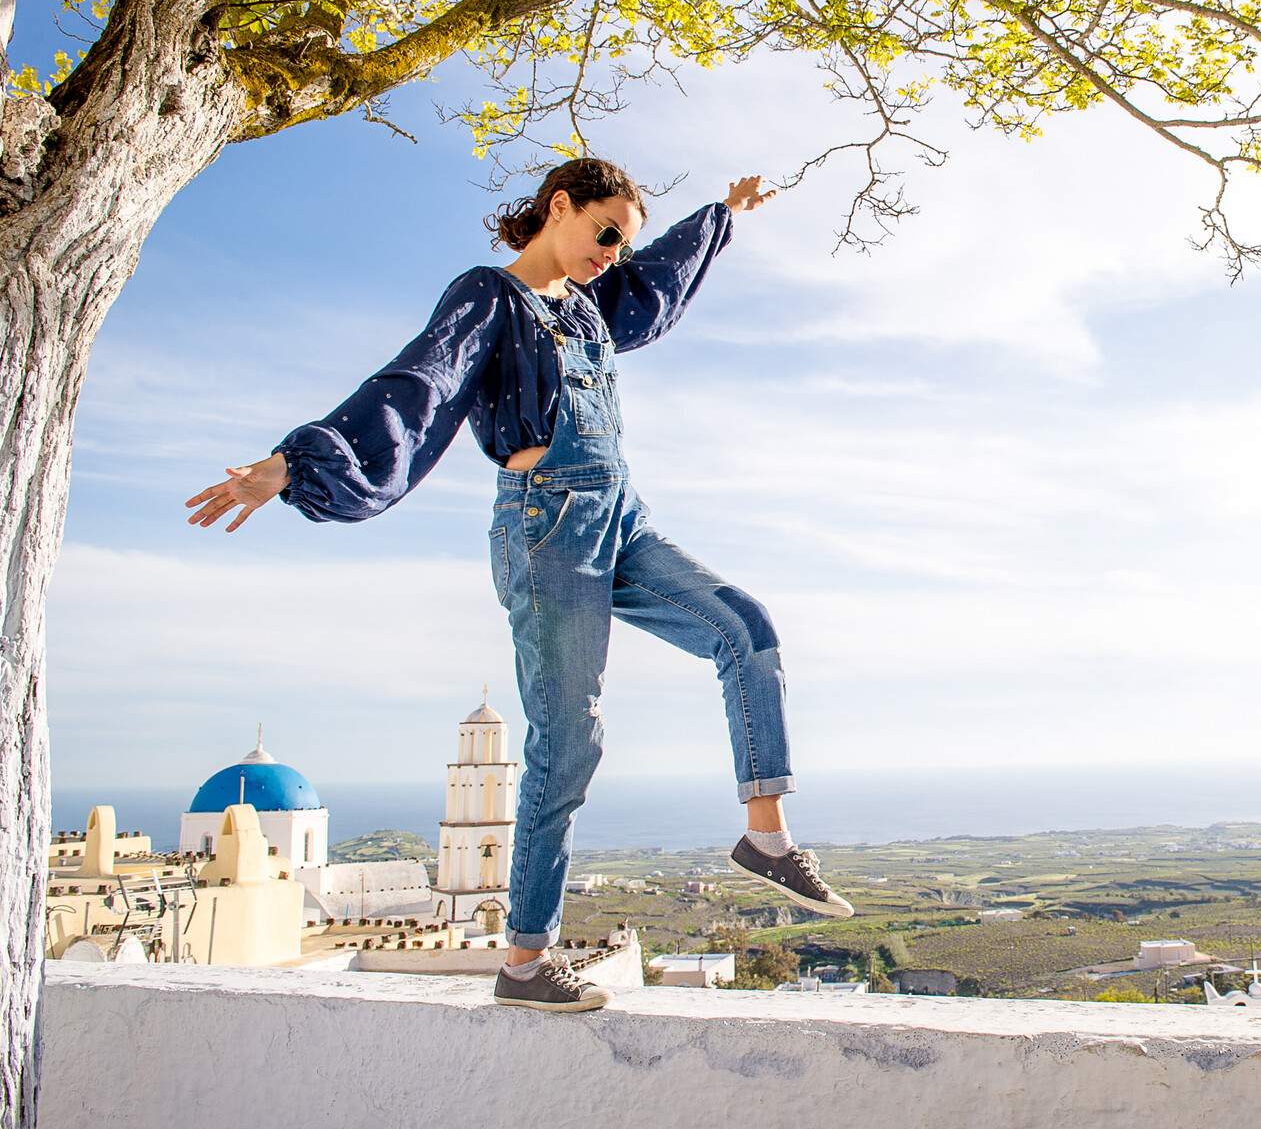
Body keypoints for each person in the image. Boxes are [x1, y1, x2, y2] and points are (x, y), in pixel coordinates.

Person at [184, 158, 853, 1013]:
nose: (614, 254)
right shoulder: (489, 298)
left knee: (745, 629)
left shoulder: (590, 305)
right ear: (559, 207)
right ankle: (527, 962)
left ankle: (766, 837)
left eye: (624, 242)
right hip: (548, 529)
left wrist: (723, 214)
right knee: (568, 744)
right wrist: (292, 464)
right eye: (604, 232)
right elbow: (415, 383)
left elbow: (660, 281)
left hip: (624, 519)